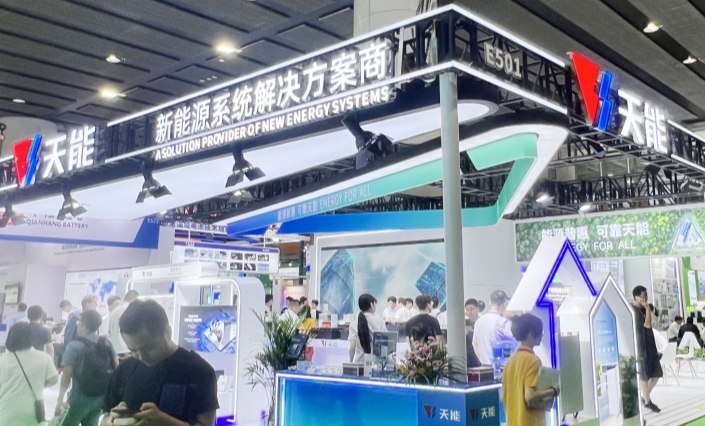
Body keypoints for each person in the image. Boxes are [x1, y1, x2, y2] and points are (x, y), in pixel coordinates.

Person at [102, 300, 218, 426]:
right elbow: (105, 417)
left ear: (167, 333)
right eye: (133, 350)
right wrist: (110, 421)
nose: (141, 356)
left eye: (149, 348)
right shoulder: (125, 369)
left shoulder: (199, 371)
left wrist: (165, 422)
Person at [58, 310, 119, 426]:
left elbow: (67, 374)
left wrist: (60, 399)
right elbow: (117, 366)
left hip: (79, 396)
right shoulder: (106, 343)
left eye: (79, 322)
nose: (77, 324)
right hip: (100, 396)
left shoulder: (74, 345)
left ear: (84, 326)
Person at [502, 313, 559, 426]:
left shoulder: (510, 361)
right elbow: (530, 396)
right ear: (531, 335)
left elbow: (504, 396)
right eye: (540, 332)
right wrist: (553, 391)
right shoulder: (533, 360)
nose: (542, 336)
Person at [0, 322, 59, 425]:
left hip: (7, 411)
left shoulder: (3, 360)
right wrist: (38, 383)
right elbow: (54, 380)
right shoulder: (44, 358)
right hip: (32, 413)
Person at [632, 285, 663, 413]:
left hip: (650, 344)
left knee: (656, 374)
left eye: (646, 296)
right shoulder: (634, 311)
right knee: (644, 374)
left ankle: (645, 398)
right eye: (643, 296)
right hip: (641, 346)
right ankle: (647, 401)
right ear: (636, 297)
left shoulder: (647, 308)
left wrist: (649, 309)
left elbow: (656, 319)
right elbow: (647, 325)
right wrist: (647, 309)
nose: (645, 299)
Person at [473, 290, 514, 365]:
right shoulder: (504, 322)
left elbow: (474, 343)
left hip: (484, 366)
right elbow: (513, 344)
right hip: (501, 367)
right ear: (505, 303)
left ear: (490, 302)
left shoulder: (478, 321)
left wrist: (482, 359)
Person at [348, 294, 387, 362]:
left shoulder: (353, 324)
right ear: (371, 304)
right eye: (375, 305)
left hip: (359, 362)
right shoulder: (380, 322)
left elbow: (352, 347)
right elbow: (386, 343)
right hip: (376, 363)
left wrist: (350, 362)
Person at [109, 290, 139, 359]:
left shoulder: (113, 312)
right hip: (128, 350)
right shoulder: (130, 310)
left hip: (115, 351)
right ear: (135, 298)